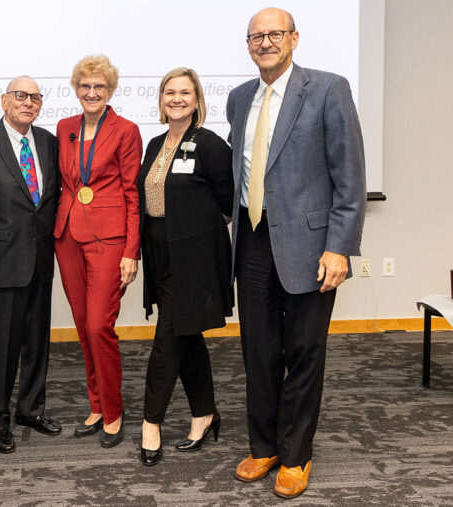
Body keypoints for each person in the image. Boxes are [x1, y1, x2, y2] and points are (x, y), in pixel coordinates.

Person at [227, 7, 366, 499]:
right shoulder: (239, 97)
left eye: (274, 34)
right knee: (258, 352)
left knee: (304, 352)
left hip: (311, 245)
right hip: (252, 238)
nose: (265, 42)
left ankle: (295, 454)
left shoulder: (329, 89)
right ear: (248, 45)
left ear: (294, 38)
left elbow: (349, 178)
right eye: (256, 36)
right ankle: (263, 446)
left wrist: (340, 248)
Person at [136, 68, 234, 466]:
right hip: (159, 251)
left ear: (197, 101)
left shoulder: (210, 144)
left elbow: (229, 205)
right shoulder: (156, 143)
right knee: (186, 333)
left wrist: (196, 236)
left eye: (185, 93)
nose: (176, 99)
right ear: (161, 99)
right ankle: (204, 413)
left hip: (192, 257)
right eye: (169, 92)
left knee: (167, 342)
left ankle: (150, 422)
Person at [0, 76, 62, 453]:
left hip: (42, 258)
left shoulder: (47, 142)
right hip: (3, 261)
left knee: (38, 341)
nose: (28, 102)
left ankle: (30, 409)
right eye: (20, 96)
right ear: (4, 101)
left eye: (35, 97)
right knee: (3, 347)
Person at [55, 54, 142, 448]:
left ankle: (113, 409)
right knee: (81, 326)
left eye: (99, 87)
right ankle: (95, 404)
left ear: (110, 91)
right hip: (68, 236)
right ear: (76, 90)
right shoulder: (64, 127)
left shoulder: (125, 130)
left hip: (109, 240)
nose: (92, 93)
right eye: (85, 86)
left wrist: (131, 251)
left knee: (98, 325)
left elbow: (131, 194)